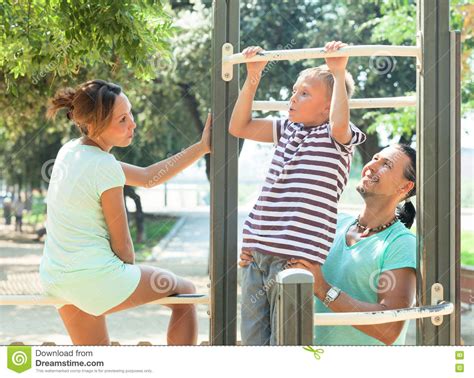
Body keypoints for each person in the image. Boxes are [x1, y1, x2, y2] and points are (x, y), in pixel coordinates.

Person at [39, 79, 211, 345]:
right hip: (93, 277)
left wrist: (201, 147)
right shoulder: (105, 165)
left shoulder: (69, 151)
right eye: (122, 119)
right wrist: (124, 279)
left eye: (130, 113)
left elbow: (148, 176)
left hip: (56, 278)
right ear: (95, 124)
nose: (132, 123)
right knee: (185, 292)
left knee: (97, 362)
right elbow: (124, 248)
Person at [229, 41, 366, 345]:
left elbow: (340, 120)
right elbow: (239, 127)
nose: (293, 97)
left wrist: (338, 70)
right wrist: (253, 76)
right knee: (252, 339)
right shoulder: (287, 129)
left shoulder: (336, 137)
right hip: (255, 253)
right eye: (294, 90)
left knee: (286, 343)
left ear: (327, 107)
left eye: (304, 93)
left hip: (293, 258)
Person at [240, 144, 417, 345]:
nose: (372, 166)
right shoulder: (332, 223)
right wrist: (256, 252)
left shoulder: (401, 243)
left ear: (405, 187)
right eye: (375, 158)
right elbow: (285, 254)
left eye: (386, 164)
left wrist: (324, 290)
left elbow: (389, 328)